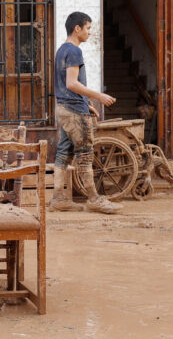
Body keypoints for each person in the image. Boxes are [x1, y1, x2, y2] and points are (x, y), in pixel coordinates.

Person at [50, 11, 122, 214]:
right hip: (74, 111)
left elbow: (66, 85)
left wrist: (86, 103)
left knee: (64, 151)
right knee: (85, 154)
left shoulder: (61, 50)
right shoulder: (74, 51)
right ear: (77, 29)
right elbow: (72, 83)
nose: (90, 32)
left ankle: (58, 198)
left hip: (63, 108)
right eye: (88, 28)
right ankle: (93, 198)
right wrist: (98, 96)